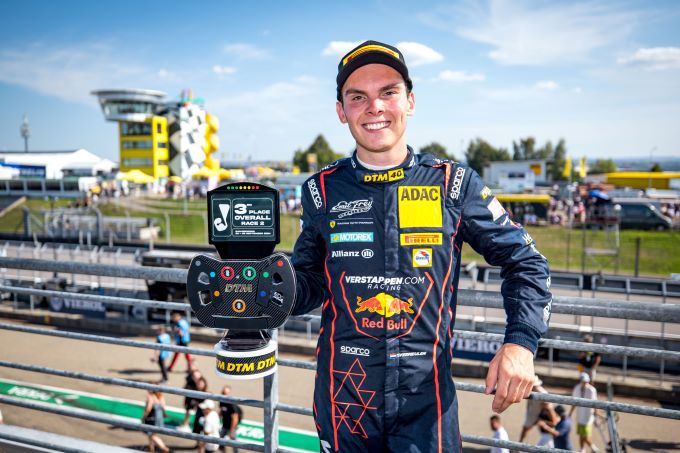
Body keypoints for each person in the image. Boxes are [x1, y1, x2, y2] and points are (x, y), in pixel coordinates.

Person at [291, 40, 552, 452]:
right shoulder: (321, 189)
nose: (374, 107)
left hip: (426, 409)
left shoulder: (453, 184)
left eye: (388, 92)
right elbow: (308, 283)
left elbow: (527, 262)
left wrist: (521, 343)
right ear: (342, 112)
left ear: (409, 101)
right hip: (345, 400)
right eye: (358, 97)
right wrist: (265, 288)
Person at [570, 372, 599, 453]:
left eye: (586, 381)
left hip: (588, 417)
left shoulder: (592, 390)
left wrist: (596, 416)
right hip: (579, 416)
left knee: (585, 435)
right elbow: (573, 402)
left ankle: (593, 448)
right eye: (584, 381)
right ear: (581, 381)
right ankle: (583, 449)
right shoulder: (577, 388)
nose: (585, 383)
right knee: (581, 434)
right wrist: (570, 414)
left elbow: (596, 404)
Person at [519, 375, 549, 444]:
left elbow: (546, 405)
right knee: (526, 429)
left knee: (545, 433)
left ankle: (520, 444)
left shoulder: (542, 392)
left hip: (538, 414)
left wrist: (540, 416)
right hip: (532, 413)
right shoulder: (531, 390)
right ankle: (521, 444)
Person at [219, 385, 243, 453]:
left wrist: (231, 431)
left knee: (234, 443)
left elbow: (235, 419)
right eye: (223, 393)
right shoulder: (222, 401)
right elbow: (221, 410)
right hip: (224, 425)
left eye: (225, 393)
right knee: (220, 441)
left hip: (231, 427)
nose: (224, 395)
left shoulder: (231, 404)